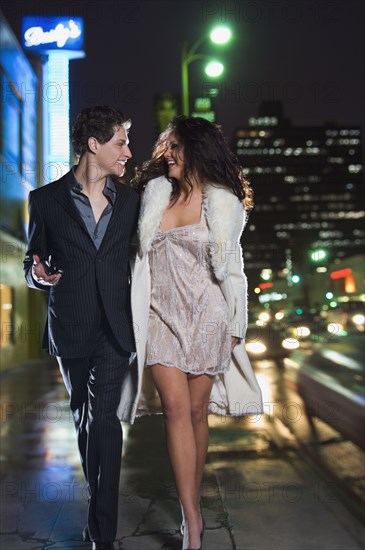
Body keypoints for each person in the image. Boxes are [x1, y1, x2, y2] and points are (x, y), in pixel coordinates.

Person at [123, 116, 263, 550]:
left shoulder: (223, 203)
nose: (167, 155)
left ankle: (194, 507)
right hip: (158, 314)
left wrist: (237, 325)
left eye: (175, 147)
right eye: (166, 147)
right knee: (176, 410)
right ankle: (190, 517)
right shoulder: (153, 195)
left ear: (197, 150)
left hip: (207, 317)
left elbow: (234, 270)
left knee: (197, 413)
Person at [23, 105, 140, 550]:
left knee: (105, 420)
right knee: (83, 419)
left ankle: (103, 532)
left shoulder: (129, 201)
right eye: (120, 143)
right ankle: (98, 505)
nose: (128, 152)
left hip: (115, 326)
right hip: (70, 323)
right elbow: (32, 261)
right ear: (94, 145)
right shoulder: (45, 200)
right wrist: (38, 274)